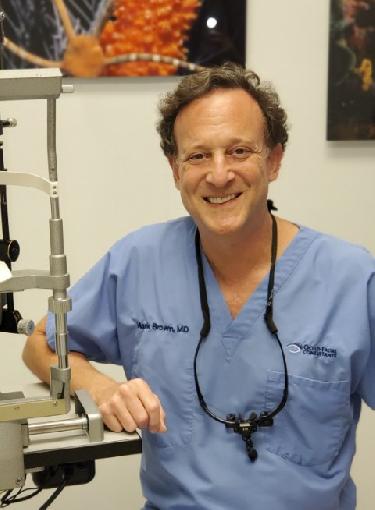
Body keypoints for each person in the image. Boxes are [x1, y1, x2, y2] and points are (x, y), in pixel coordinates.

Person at [23, 62, 375, 510]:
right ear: (175, 169)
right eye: (198, 155)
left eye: (240, 151)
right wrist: (101, 387)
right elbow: (41, 343)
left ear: (275, 159)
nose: (219, 174)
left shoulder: (351, 279)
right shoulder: (138, 262)